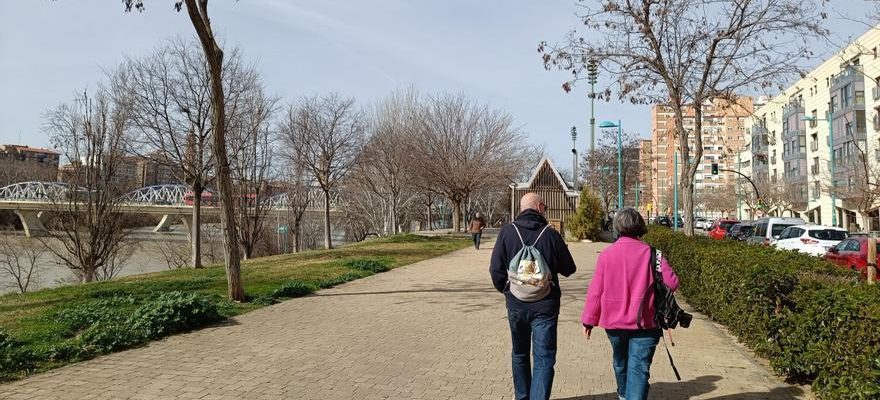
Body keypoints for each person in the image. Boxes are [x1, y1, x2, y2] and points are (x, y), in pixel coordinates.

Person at [581, 208, 679, 400]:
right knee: (639, 369)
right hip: (647, 322)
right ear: (640, 227)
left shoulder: (606, 256)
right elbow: (672, 282)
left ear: (617, 227)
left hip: (614, 323)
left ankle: (624, 395)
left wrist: (588, 321)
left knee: (620, 362)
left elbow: (595, 291)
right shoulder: (654, 255)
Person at [490, 193, 577, 400]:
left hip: (516, 304)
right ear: (538, 207)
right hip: (545, 305)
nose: (545, 210)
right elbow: (569, 268)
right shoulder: (550, 234)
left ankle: (522, 397)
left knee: (519, 354)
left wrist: (507, 290)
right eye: (544, 206)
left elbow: (495, 270)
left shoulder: (507, 232)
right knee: (544, 358)